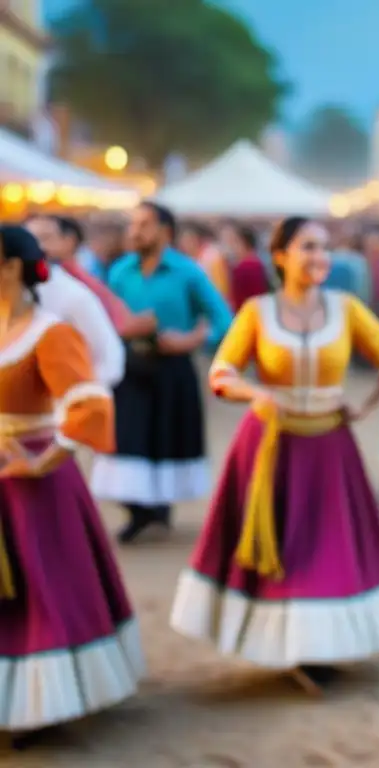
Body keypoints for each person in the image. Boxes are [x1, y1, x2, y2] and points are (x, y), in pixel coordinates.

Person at [169, 217, 379, 691]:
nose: (319, 256)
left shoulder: (346, 308)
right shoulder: (258, 311)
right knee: (283, 547)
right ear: (280, 256)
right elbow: (222, 373)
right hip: (269, 447)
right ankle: (299, 648)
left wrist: (359, 407)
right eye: (307, 247)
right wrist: (256, 393)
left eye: (323, 247)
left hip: (329, 446)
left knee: (327, 546)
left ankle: (317, 649)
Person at [0, 226, 143, 744]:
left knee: (42, 587)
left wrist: (44, 460)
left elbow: (89, 405)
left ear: (12, 267)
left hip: (34, 482)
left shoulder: (51, 331)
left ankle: (43, 701)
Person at [90, 202, 233, 543]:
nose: (134, 231)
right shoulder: (120, 271)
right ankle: (137, 510)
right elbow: (107, 316)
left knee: (165, 437)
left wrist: (192, 339)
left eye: (144, 225)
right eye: (133, 224)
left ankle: (159, 508)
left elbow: (224, 318)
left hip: (173, 370)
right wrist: (127, 327)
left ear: (165, 232)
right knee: (126, 438)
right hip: (130, 368)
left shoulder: (189, 272)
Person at [25, 214, 157, 340]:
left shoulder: (80, 281)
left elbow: (119, 326)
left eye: (45, 238)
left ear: (69, 241)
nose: (37, 246)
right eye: (28, 239)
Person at [222, 221, 271, 311]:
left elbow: (237, 301)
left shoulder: (242, 268)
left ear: (244, 243)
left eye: (235, 242)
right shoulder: (259, 263)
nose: (233, 247)